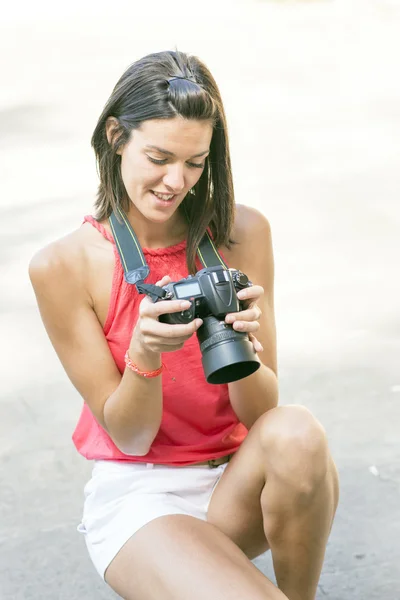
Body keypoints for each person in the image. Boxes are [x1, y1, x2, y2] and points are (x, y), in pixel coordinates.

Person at [29, 50, 339, 600]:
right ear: (115, 136)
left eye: (196, 163)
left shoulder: (243, 232)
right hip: (142, 494)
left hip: (234, 480)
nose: (176, 180)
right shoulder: (63, 266)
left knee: (297, 431)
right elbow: (129, 434)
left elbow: (261, 414)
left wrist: (240, 337)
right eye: (159, 156)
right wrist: (145, 355)